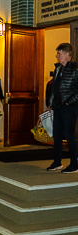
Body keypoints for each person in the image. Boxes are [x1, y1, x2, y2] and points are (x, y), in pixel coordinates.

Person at [47, 43, 78, 174]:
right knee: (57, 134)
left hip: (69, 107)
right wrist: (51, 102)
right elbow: (54, 88)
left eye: (59, 53)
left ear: (67, 54)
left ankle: (74, 164)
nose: (57, 56)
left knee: (69, 135)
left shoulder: (75, 69)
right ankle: (57, 162)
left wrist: (69, 102)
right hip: (58, 106)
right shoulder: (58, 68)